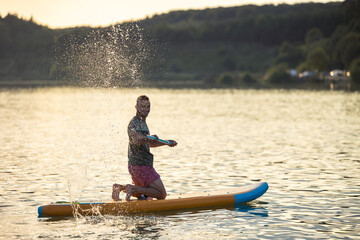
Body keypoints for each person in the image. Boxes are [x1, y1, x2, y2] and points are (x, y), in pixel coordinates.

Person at [112, 95, 177, 201]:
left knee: (144, 194)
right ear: (136, 107)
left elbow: (148, 144)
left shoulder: (142, 122)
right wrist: (148, 139)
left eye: (148, 106)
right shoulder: (134, 123)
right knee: (161, 194)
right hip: (142, 166)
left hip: (136, 166)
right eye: (142, 106)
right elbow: (136, 140)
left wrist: (166, 143)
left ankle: (120, 188)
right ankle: (131, 188)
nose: (146, 109)